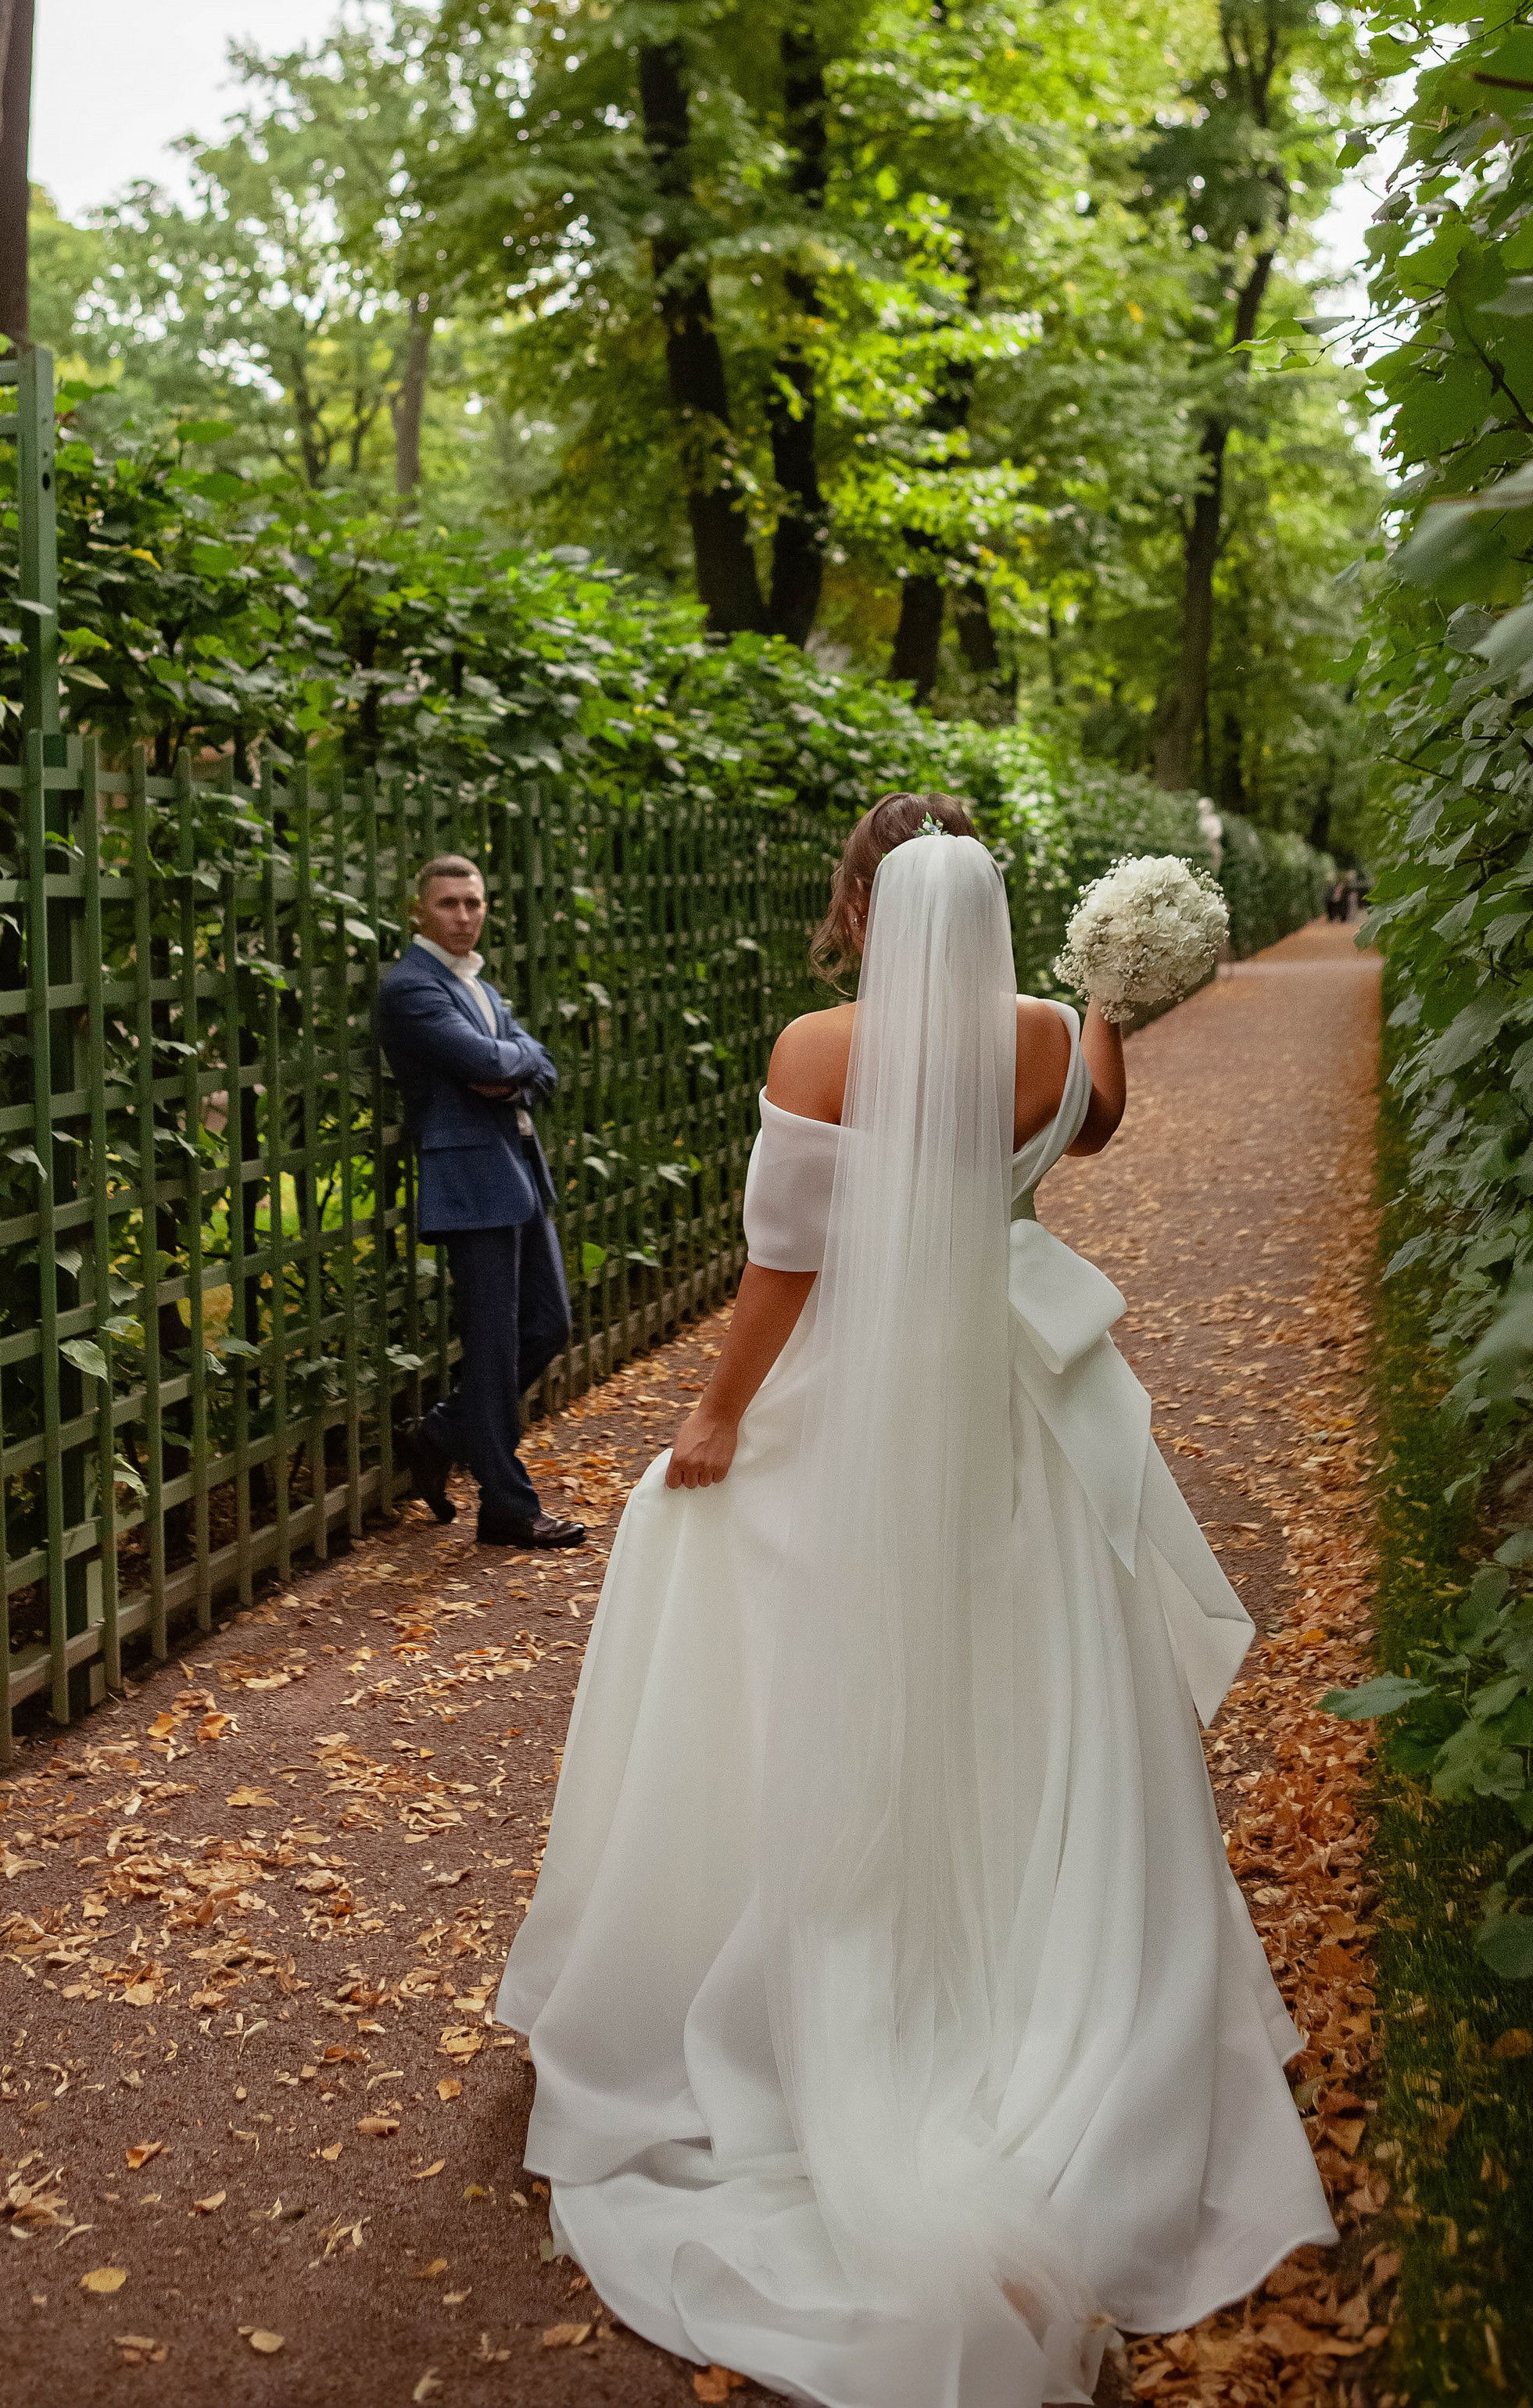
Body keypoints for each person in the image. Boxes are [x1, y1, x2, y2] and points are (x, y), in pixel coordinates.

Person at [498, 793, 1333, 2407]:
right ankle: (1051, 1983)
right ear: (998, 908)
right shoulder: (1040, 1039)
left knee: (772, 1636)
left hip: (857, 1406)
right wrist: (1097, 995)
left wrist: (716, 1414)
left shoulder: (820, 1046)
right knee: (1032, 1683)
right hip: (1007, 1417)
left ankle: (795, 1964)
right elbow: (1089, 1128)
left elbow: (785, 1265)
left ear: (864, 905)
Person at [375, 853, 584, 1552]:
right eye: (448, 904)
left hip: (518, 1172)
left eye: (474, 902)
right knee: (494, 1348)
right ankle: (506, 1506)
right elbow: (490, 1062)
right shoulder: (410, 988)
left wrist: (508, 1068)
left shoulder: (479, 985)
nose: (464, 916)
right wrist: (507, 1064)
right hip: (470, 1184)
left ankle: (442, 1432)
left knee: (549, 1326)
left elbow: (535, 1064)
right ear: (418, 911)